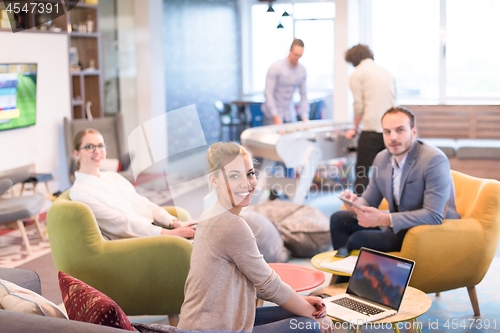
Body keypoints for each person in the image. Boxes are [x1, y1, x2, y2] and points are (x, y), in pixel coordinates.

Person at [178, 142, 332, 333]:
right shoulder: (232, 225)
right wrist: (310, 312)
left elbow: (256, 279)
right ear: (214, 181)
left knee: (300, 316)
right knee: (309, 326)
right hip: (212, 329)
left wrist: (301, 303)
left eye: (250, 173)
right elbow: (268, 285)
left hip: (212, 322)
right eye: (234, 176)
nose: (246, 183)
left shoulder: (210, 215)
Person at [330, 107, 461, 254]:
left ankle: (350, 274)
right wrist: (356, 205)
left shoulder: (434, 160)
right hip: (397, 225)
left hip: (427, 230)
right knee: (338, 220)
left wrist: (385, 219)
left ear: (414, 132)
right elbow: (370, 200)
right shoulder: (382, 158)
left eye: (400, 130)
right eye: (387, 131)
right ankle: (343, 274)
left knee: (359, 239)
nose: (393, 137)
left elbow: (434, 215)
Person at [69, 129, 197, 240]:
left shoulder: (113, 176)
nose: (97, 151)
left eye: (101, 146)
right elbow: (121, 224)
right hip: (132, 240)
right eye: (90, 147)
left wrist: (173, 222)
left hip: (150, 229)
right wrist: (168, 233)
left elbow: (143, 202)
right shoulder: (81, 192)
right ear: (76, 154)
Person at [344, 44, 396, 195]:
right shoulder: (387, 72)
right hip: (390, 130)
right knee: (390, 170)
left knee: (362, 170)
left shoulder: (357, 73)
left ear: (353, 60)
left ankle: (357, 207)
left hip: (371, 130)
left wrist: (354, 129)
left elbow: (358, 106)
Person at [262, 39, 309, 125]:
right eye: (295, 55)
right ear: (290, 51)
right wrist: (275, 116)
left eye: (300, 55)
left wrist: (305, 117)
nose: (297, 58)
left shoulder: (302, 71)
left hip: (289, 114)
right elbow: (268, 93)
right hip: (273, 114)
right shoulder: (276, 67)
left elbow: (303, 95)